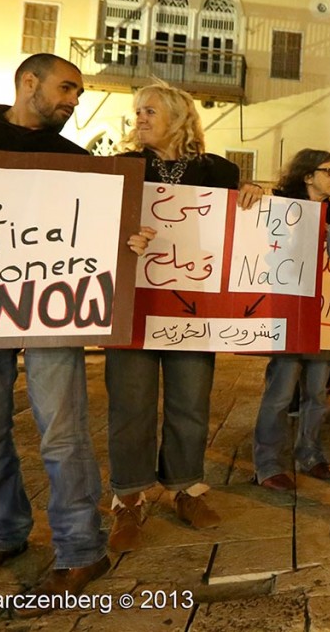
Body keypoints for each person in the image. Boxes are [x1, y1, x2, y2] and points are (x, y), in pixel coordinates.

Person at [0, 54, 152, 611]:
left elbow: (104, 227)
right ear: (29, 83)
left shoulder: (73, 158)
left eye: (77, 92)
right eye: (67, 88)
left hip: (54, 307)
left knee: (63, 433)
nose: (74, 101)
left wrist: (128, 239)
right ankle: (1, 534)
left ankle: (81, 548)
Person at [105, 82, 262, 551]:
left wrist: (253, 196)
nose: (140, 119)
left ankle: (186, 487)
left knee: (191, 401)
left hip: (196, 311)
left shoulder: (220, 171)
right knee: (129, 405)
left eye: (149, 111)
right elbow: (94, 225)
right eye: (137, 112)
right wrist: (123, 236)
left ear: (178, 116)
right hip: (132, 305)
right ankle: (128, 500)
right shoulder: (122, 167)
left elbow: (241, 230)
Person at [253, 149, 330, 492]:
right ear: (307, 176)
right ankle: (267, 463)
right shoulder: (278, 206)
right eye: (329, 172)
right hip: (289, 312)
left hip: (324, 315)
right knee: (280, 390)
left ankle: (310, 453)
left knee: (317, 391)